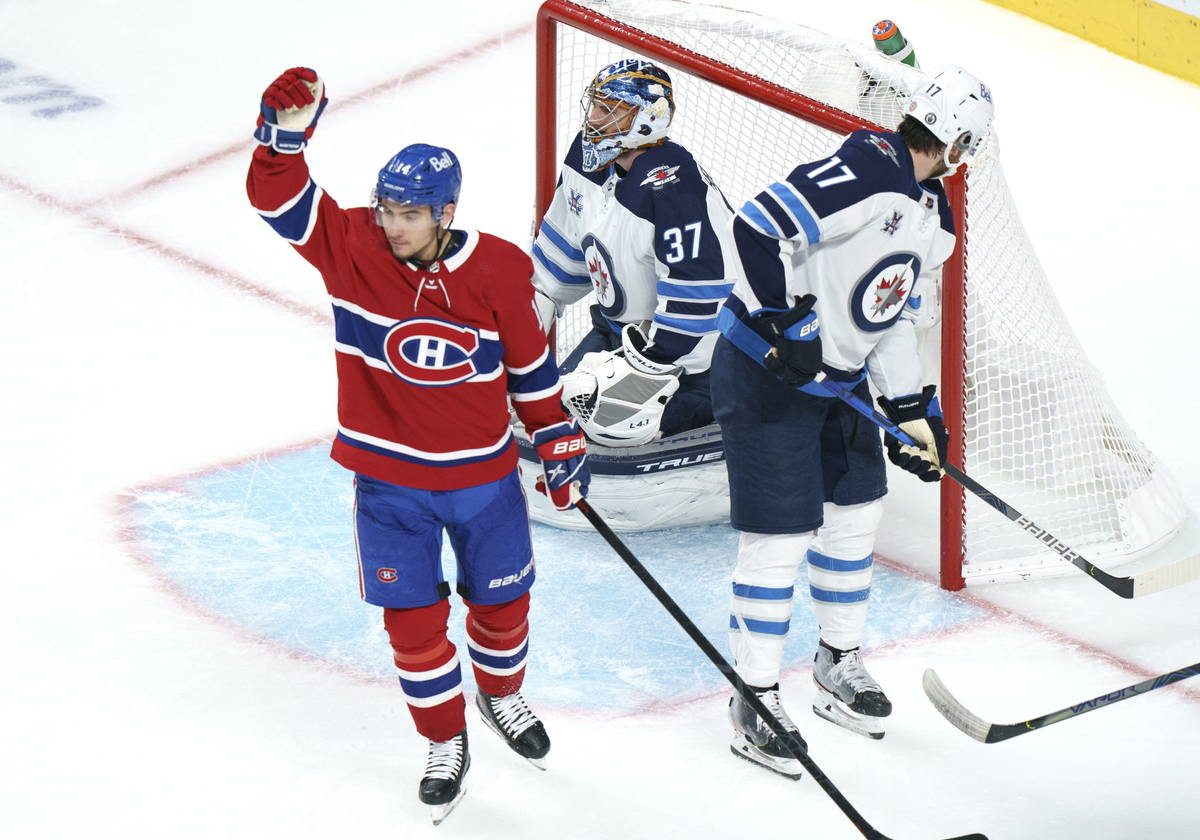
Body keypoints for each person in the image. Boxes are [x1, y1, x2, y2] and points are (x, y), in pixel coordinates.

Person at [245, 67, 590, 823]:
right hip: (388, 483)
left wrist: (559, 437)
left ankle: (500, 694)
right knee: (412, 625)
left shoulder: (499, 268)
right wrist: (284, 137)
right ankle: (444, 738)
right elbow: (277, 199)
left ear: (446, 211)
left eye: (409, 213)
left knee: (503, 612)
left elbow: (530, 370)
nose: (393, 224)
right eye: (386, 208)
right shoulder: (351, 248)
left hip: (483, 480)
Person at [712, 66, 995, 773]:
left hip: (839, 386)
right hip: (767, 377)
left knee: (856, 513)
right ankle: (753, 697)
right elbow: (754, 226)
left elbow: (891, 312)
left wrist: (909, 408)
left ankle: (837, 663)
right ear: (959, 140)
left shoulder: (935, 218)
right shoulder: (869, 165)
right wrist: (788, 324)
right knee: (778, 540)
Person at [531, 58, 738, 448]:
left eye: (610, 110)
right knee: (548, 412)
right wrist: (522, 332)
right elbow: (558, 262)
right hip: (619, 336)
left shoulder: (673, 185)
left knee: (609, 431)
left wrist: (644, 369)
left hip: (694, 360)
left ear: (648, 119)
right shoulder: (587, 158)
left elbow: (701, 292)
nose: (593, 118)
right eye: (594, 104)